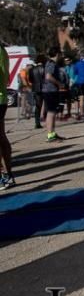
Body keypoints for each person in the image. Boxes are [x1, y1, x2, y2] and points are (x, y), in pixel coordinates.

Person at [41, 48, 66, 142]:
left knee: (51, 112)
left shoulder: (49, 63)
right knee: (51, 112)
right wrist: (59, 84)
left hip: (49, 90)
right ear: (56, 54)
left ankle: (52, 133)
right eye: (60, 54)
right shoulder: (51, 64)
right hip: (50, 90)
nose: (61, 56)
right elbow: (48, 76)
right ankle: (50, 135)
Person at [0, 43, 14, 190]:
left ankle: (4, 176)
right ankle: (7, 174)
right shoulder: (2, 50)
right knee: (2, 137)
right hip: (2, 98)